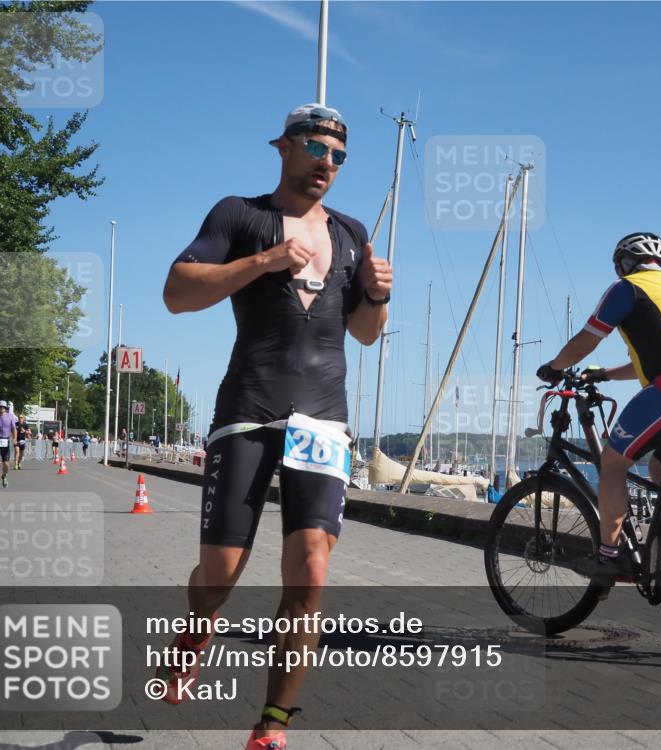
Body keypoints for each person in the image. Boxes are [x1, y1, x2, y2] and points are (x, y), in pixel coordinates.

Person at [161, 103, 392, 750]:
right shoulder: (240, 214)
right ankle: (198, 629)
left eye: (340, 157)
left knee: (311, 570)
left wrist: (376, 295)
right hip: (249, 411)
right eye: (317, 149)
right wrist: (262, 262)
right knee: (220, 574)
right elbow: (177, 292)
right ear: (284, 147)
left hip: (324, 418)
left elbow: (366, 335)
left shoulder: (350, 231)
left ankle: (273, 726)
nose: (328, 164)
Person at [536, 232, 661, 583]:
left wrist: (554, 367)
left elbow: (587, 339)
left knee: (613, 462)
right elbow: (657, 357)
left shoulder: (627, 288)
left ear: (624, 263)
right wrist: (606, 375)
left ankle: (609, 559)